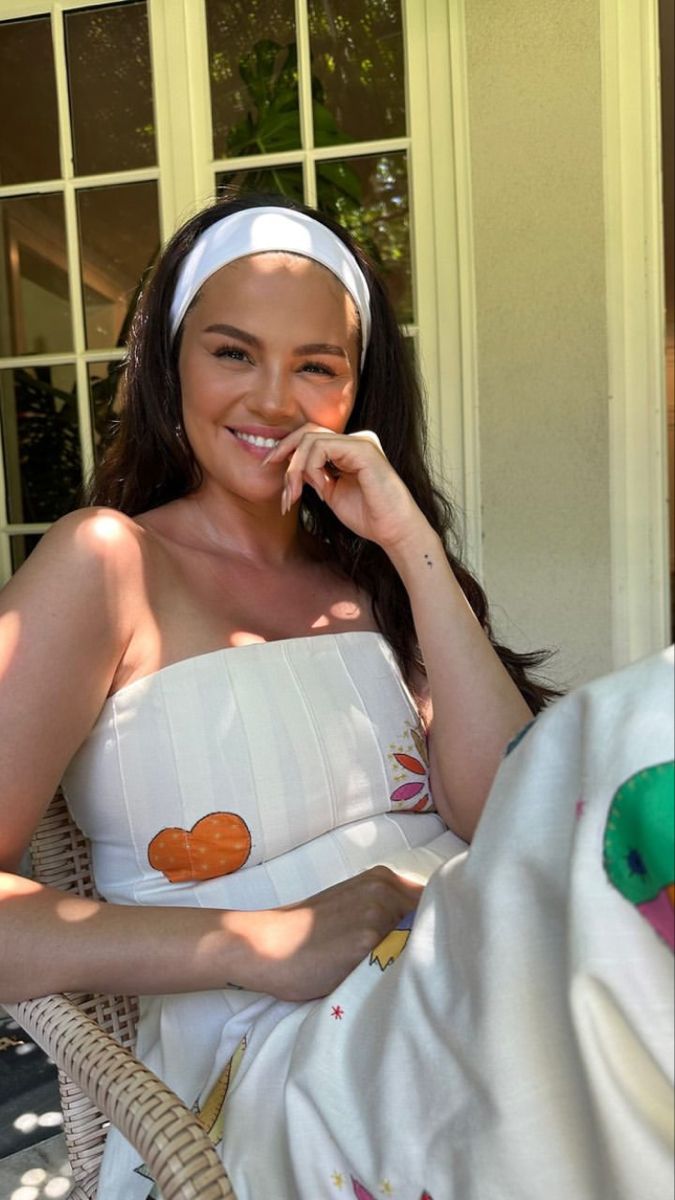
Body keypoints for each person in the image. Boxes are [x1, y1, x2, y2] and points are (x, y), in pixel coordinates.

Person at [0, 194, 556, 1195]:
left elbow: (503, 810)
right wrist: (258, 943)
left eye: (315, 366)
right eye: (231, 352)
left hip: (469, 971)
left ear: (357, 394)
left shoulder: (371, 579)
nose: (271, 400)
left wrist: (408, 544)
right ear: (169, 366)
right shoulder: (106, 566)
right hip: (273, 1066)